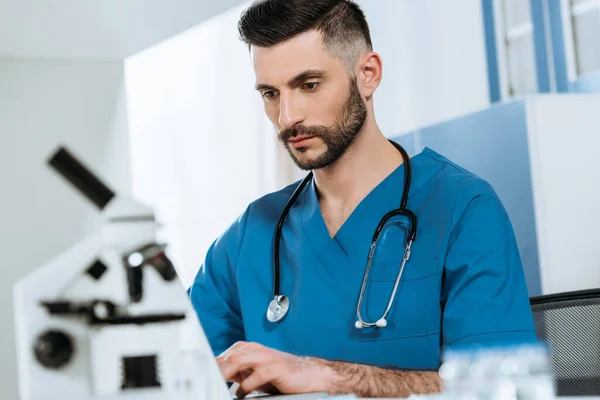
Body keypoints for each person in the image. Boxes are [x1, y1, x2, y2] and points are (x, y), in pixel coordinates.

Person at [188, 0, 538, 397]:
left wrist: (326, 377)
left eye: (309, 85)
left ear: (368, 74)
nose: (287, 117)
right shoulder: (253, 231)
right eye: (270, 93)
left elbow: (502, 391)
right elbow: (173, 361)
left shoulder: (463, 208)